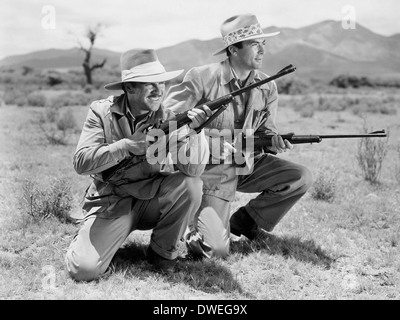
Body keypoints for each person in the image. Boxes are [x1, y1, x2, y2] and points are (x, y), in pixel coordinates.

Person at [164, 14, 313, 259]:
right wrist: (207, 144)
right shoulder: (201, 78)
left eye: (263, 43)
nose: (262, 49)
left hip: (246, 165)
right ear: (233, 49)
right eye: (255, 43)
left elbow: (266, 130)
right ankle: (190, 225)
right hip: (208, 173)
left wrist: (274, 141)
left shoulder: (268, 86)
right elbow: (167, 124)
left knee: (300, 177)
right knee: (216, 251)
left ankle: (246, 221)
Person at [65, 49, 212, 281]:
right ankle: (85, 235)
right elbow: (81, 162)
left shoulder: (170, 117)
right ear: (129, 88)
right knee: (84, 270)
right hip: (111, 202)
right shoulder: (100, 112)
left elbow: (193, 171)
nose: (158, 90)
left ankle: (162, 254)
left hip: (151, 199)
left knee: (190, 184)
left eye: (161, 82)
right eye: (149, 84)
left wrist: (195, 131)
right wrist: (126, 146)